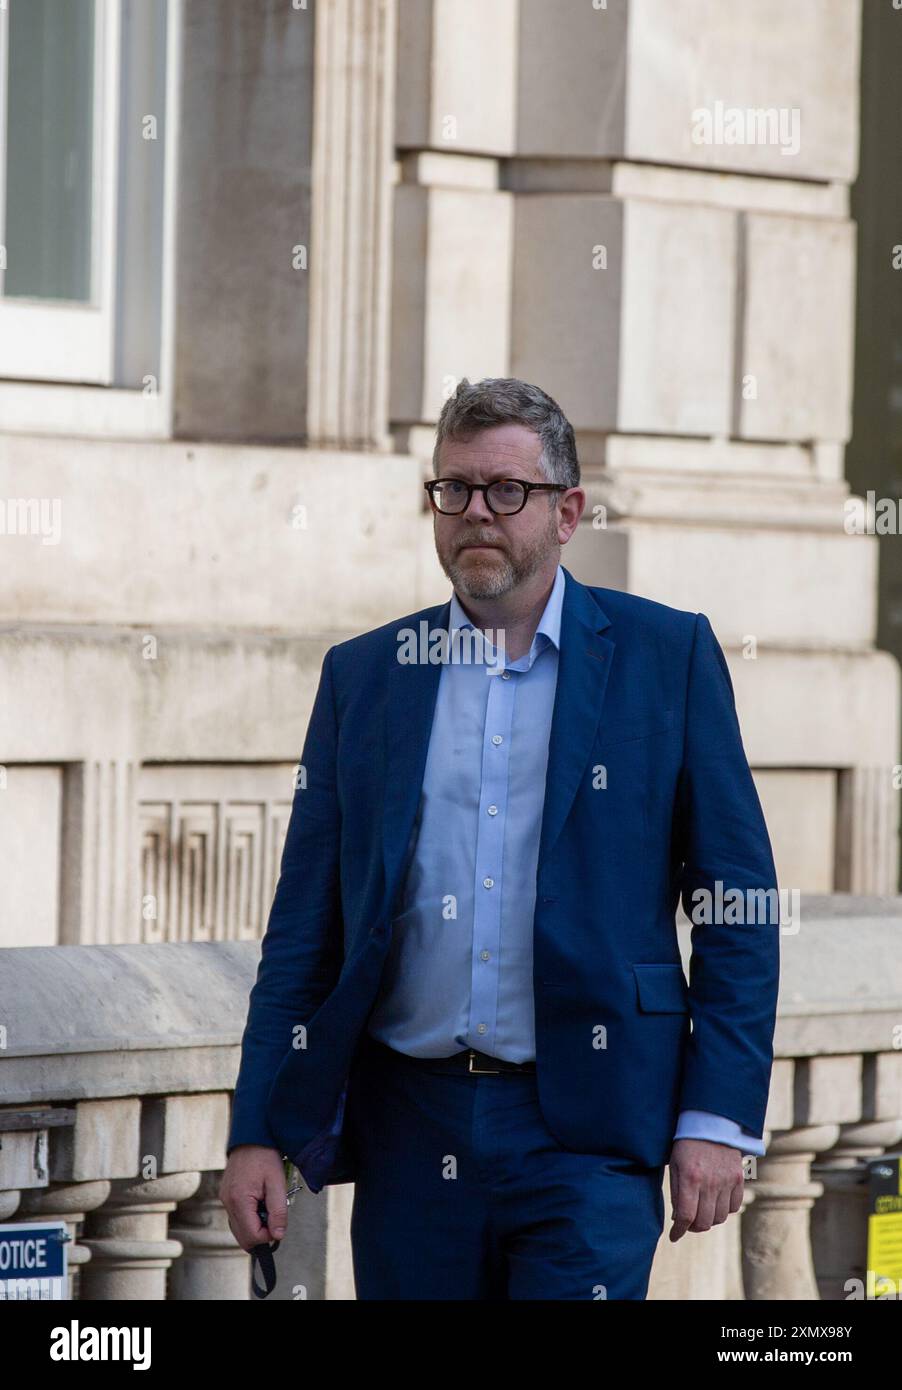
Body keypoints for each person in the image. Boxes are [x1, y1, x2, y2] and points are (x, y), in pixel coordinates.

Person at [220, 376, 780, 1300]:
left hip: (590, 1133)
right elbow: (304, 932)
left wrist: (718, 1114)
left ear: (567, 511)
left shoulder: (664, 657)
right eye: (454, 490)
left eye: (505, 491)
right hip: (411, 1131)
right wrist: (256, 1129)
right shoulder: (366, 676)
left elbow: (739, 905)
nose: (475, 512)